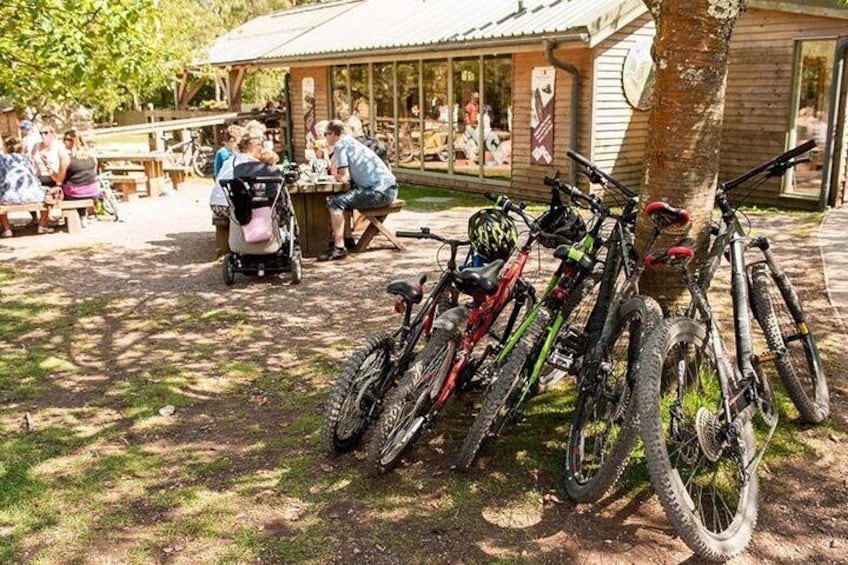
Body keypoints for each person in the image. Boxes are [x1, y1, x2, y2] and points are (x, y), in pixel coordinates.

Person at [320, 119, 397, 261]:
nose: (325, 137)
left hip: (378, 192)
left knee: (335, 202)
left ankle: (339, 247)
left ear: (333, 134)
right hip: (388, 188)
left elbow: (344, 177)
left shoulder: (341, 145)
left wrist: (333, 176)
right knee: (343, 197)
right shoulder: (352, 142)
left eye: (326, 134)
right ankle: (348, 239)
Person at [0, 137, 50, 236]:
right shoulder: (26, 158)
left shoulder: (2, 160)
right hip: (33, 196)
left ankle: (7, 229)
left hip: (9, 197)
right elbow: (35, 174)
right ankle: (42, 225)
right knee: (48, 193)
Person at [56, 129, 100, 226]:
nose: (63, 142)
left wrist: (50, 169)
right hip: (93, 190)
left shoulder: (67, 158)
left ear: (72, 141)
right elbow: (94, 172)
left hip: (76, 192)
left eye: (65, 139)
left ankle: (69, 217)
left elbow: (59, 180)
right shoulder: (91, 155)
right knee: (79, 185)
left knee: (59, 188)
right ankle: (84, 215)